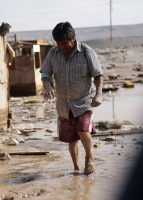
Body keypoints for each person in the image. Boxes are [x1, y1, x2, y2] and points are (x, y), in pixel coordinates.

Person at [40, 22, 103, 175]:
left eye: (64, 43)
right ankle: (75, 168)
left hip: (84, 101)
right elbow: (45, 74)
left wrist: (99, 94)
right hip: (63, 105)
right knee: (72, 138)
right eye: (58, 43)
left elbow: (98, 75)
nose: (61, 46)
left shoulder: (86, 51)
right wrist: (47, 86)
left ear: (73, 39)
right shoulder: (53, 53)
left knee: (82, 129)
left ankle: (89, 157)